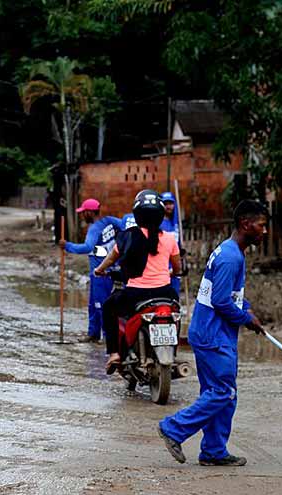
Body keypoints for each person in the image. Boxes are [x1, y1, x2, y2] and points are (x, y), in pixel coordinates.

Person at [157, 200, 268, 467]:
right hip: (213, 335)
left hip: (210, 332)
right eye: (261, 226)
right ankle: (173, 428)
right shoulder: (231, 257)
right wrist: (245, 319)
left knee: (223, 393)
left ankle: (214, 451)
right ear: (245, 224)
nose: (264, 231)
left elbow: (229, 295)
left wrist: (247, 310)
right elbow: (221, 301)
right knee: (222, 392)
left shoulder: (230, 252)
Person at [94, 190, 181, 373]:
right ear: (160, 214)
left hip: (135, 295)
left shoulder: (128, 236)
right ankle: (173, 352)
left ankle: (114, 354)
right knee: (175, 314)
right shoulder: (170, 239)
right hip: (165, 293)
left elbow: (110, 259)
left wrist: (99, 270)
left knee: (109, 307)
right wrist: (172, 272)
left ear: (137, 214)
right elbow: (178, 268)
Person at [63, 198, 124, 342]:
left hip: (100, 273)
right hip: (112, 270)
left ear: (90, 212)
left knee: (101, 305)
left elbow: (87, 247)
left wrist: (67, 245)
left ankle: (106, 337)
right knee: (94, 305)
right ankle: (93, 333)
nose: (82, 215)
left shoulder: (94, 229)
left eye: (83, 212)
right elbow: (125, 226)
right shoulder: (111, 221)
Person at [159, 191, 182, 295]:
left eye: (170, 203)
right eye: (165, 203)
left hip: (175, 263)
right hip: (163, 265)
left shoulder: (176, 223)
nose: (168, 206)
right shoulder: (158, 224)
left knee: (175, 295)